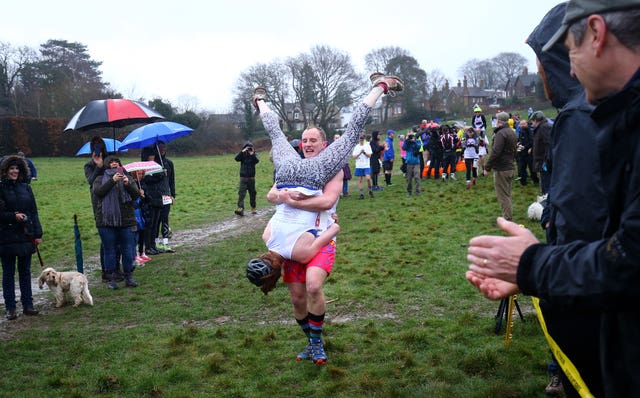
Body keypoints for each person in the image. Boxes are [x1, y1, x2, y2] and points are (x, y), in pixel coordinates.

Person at [466, 1, 640, 395]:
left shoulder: (580, 117)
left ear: (596, 33)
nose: (569, 69)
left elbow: (624, 257)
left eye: (569, 52)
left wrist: (532, 265)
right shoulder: (618, 114)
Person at [252, 73, 403, 272]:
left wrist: (284, 198)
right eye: (305, 141)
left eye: (311, 141)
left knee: (350, 131)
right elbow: (322, 207)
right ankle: (260, 101)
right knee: (276, 132)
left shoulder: (291, 249)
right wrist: (287, 198)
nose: (306, 144)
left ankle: (381, 86)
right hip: (296, 174)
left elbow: (273, 197)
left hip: (294, 175)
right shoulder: (267, 238)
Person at [0, 155, 42, 319]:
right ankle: (10, 308)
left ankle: (28, 304)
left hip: (26, 235)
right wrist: (13, 216)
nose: (14, 171)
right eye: (11, 168)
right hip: (6, 236)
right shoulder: (1, 188)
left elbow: (33, 211)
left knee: (25, 272)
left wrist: (38, 233)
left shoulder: (26, 188)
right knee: (8, 273)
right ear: (5, 171)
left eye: (17, 168)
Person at [93, 155, 140, 289]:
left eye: (116, 162)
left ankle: (129, 277)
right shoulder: (99, 179)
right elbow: (99, 192)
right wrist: (112, 181)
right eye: (111, 162)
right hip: (106, 221)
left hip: (126, 220)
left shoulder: (128, 177)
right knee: (110, 250)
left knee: (128, 249)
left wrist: (128, 184)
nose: (114, 164)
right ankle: (112, 279)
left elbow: (136, 195)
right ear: (107, 165)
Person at [83, 136, 123, 282]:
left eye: (100, 145)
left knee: (117, 236)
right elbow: (91, 182)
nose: (98, 148)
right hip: (99, 203)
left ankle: (116, 268)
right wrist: (98, 167)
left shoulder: (110, 161)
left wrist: (107, 164)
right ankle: (107, 270)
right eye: (95, 145)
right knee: (106, 238)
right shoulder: (89, 165)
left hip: (114, 200)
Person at [483, 112, 517, 221]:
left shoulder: (501, 134)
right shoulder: (512, 132)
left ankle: (507, 219)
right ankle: (509, 215)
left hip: (502, 168)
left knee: (503, 196)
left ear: (499, 121)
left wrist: (487, 167)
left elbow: (495, 152)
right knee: (507, 194)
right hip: (510, 166)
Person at [141, 146, 169, 256]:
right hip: (149, 199)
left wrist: (162, 173)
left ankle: (153, 245)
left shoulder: (157, 165)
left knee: (156, 223)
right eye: (150, 156)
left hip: (158, 197)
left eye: (153, 155)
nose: (152, 157)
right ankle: (148, 246)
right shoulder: (142, 167)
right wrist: (160, 176)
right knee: (150, 224)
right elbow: (147, 180)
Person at [155, 141, 175, 253]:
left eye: (164, 147)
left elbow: (172, 181)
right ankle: (156, 242)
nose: (162, 149)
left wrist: (172, 195)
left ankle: (166, 242)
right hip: (156, 196)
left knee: (165, 219)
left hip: (166, 195)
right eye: (160, 147)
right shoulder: (153, 163)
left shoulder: (169, 163)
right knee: (156, 220)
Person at [234, 141, 259, 216]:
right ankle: (240, 208)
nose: (248, 149)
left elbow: (257, 161)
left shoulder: (254, 154)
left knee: (252, 194)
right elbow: (236, 159)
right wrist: (242, 152)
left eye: (250, 148)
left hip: (251, 178)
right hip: (243, 178)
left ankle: (253, 207)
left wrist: (252, 154)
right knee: (241, 193)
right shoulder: (242, 154)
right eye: (247, 148)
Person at [530, 111, 552, 195]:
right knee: (544, 187)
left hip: (545, 164)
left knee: (547, 189)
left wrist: (546, 162)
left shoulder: (544, 127)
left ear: (536, 120)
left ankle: (548, 205)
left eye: (532, 121)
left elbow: (550, 145)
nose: (532, 123)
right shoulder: (541, 127)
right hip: (542, 163)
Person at [515, 120, 538, 187]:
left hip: (529, 152)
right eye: (521, 124)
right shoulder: (520, 131)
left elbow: (532, 141)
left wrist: (526, 147)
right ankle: (523, 182)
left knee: (531, 167)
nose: (522, 125)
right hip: (522, 152)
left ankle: (535, 180)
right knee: (522, 167)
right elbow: (519, 139)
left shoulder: (530, 131)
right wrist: (518, 143)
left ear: (526, 124)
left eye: (523, 124)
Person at [351, 134, 374, 199]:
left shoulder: (367, 146)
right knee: (360, 180)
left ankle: (370, 190)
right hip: (359, 166)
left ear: (364, 139)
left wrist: (364, 153)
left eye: (362, 139)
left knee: (368, 178)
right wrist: (360, 153)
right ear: (359, 140)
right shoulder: (356, 147)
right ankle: (361, 194)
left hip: (366, 165)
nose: (361, 141)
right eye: (360, 140)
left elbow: (369, 155)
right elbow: (354, 156)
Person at [401, 131, 421, 196]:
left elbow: (418, 147)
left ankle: (417, 191)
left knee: (417, 177)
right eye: (410, 136)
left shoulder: (417, 141)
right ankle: (409, 192)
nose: (411, 137)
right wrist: (407, 140)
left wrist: (414, 141)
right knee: (409, 179)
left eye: (412, 135)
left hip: (416, 162)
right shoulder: (407, 142)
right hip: (409, 163)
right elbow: (403, 148)